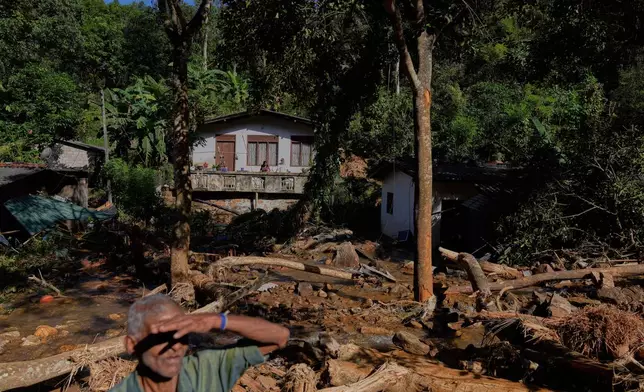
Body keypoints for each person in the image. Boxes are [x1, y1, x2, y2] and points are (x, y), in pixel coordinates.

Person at [110, 295, 290, 392]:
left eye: (181, 335)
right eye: (161, 337)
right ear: (131, 345)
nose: (175, 346)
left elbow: (280, 336)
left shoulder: (206, 368)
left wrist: (217, 320)